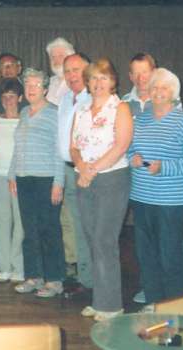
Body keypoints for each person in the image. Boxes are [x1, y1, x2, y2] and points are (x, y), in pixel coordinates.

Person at [128, 68, 183, 306]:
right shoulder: (140, 119)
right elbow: (129, 149)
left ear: (174, 93)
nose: (158, 92)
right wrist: (134, 157)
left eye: (164, 88)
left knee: (170, 258)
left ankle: (174, 307)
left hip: (171, 203)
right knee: (147, 257)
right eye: (154, 87)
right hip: (141, 199)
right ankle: (154, 305)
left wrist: (164, 167)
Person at [70, 58, 133, 321]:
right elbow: (73, 146)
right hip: (84, 179)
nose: (98, 83)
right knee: (92, 240)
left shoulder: (120, 108)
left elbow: (121, 146)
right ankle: (100, 301)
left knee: (105, 242)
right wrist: (81, 166)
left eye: (103, 78)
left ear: (113, 81)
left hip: (111, 179)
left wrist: (91, 171)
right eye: (94, 78)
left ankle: (112, 306)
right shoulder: (81, 110)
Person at [9, 68, 65, 298]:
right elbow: (18, 147)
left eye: (35, 85)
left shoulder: (54, 113)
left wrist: (58, 182)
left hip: (46, 179)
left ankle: (54, 280)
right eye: (28, 85)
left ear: (45, 89)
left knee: (49, 230)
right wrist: (13, 175)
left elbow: (60, 151)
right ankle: (33, 276)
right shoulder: (23, 113)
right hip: (24, 179)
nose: (31, 89)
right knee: (29, 230)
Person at [56, 53, 93, 293]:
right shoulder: (66, 98)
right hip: (67, 169)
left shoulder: (95, 98)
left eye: (76, 70)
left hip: (87, 171)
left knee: (88, 227)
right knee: (73, 225)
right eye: (67, 71)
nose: (71, 76)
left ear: (88, 71)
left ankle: (90, 280)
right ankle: (82, 274)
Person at [0, 78, 25, 283]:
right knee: (3, 222)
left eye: (12, 96)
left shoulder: (25, 120)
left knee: (20, 223)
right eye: (5, 97)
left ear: (20, 98)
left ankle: (18, 266)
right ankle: (4, 267)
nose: (8, 100)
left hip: (19, 178)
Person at [45, 37, 75, 105]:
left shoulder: (79, 82)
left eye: (60, 56)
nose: (56, 61)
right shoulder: (48, 82)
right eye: (53, 57)